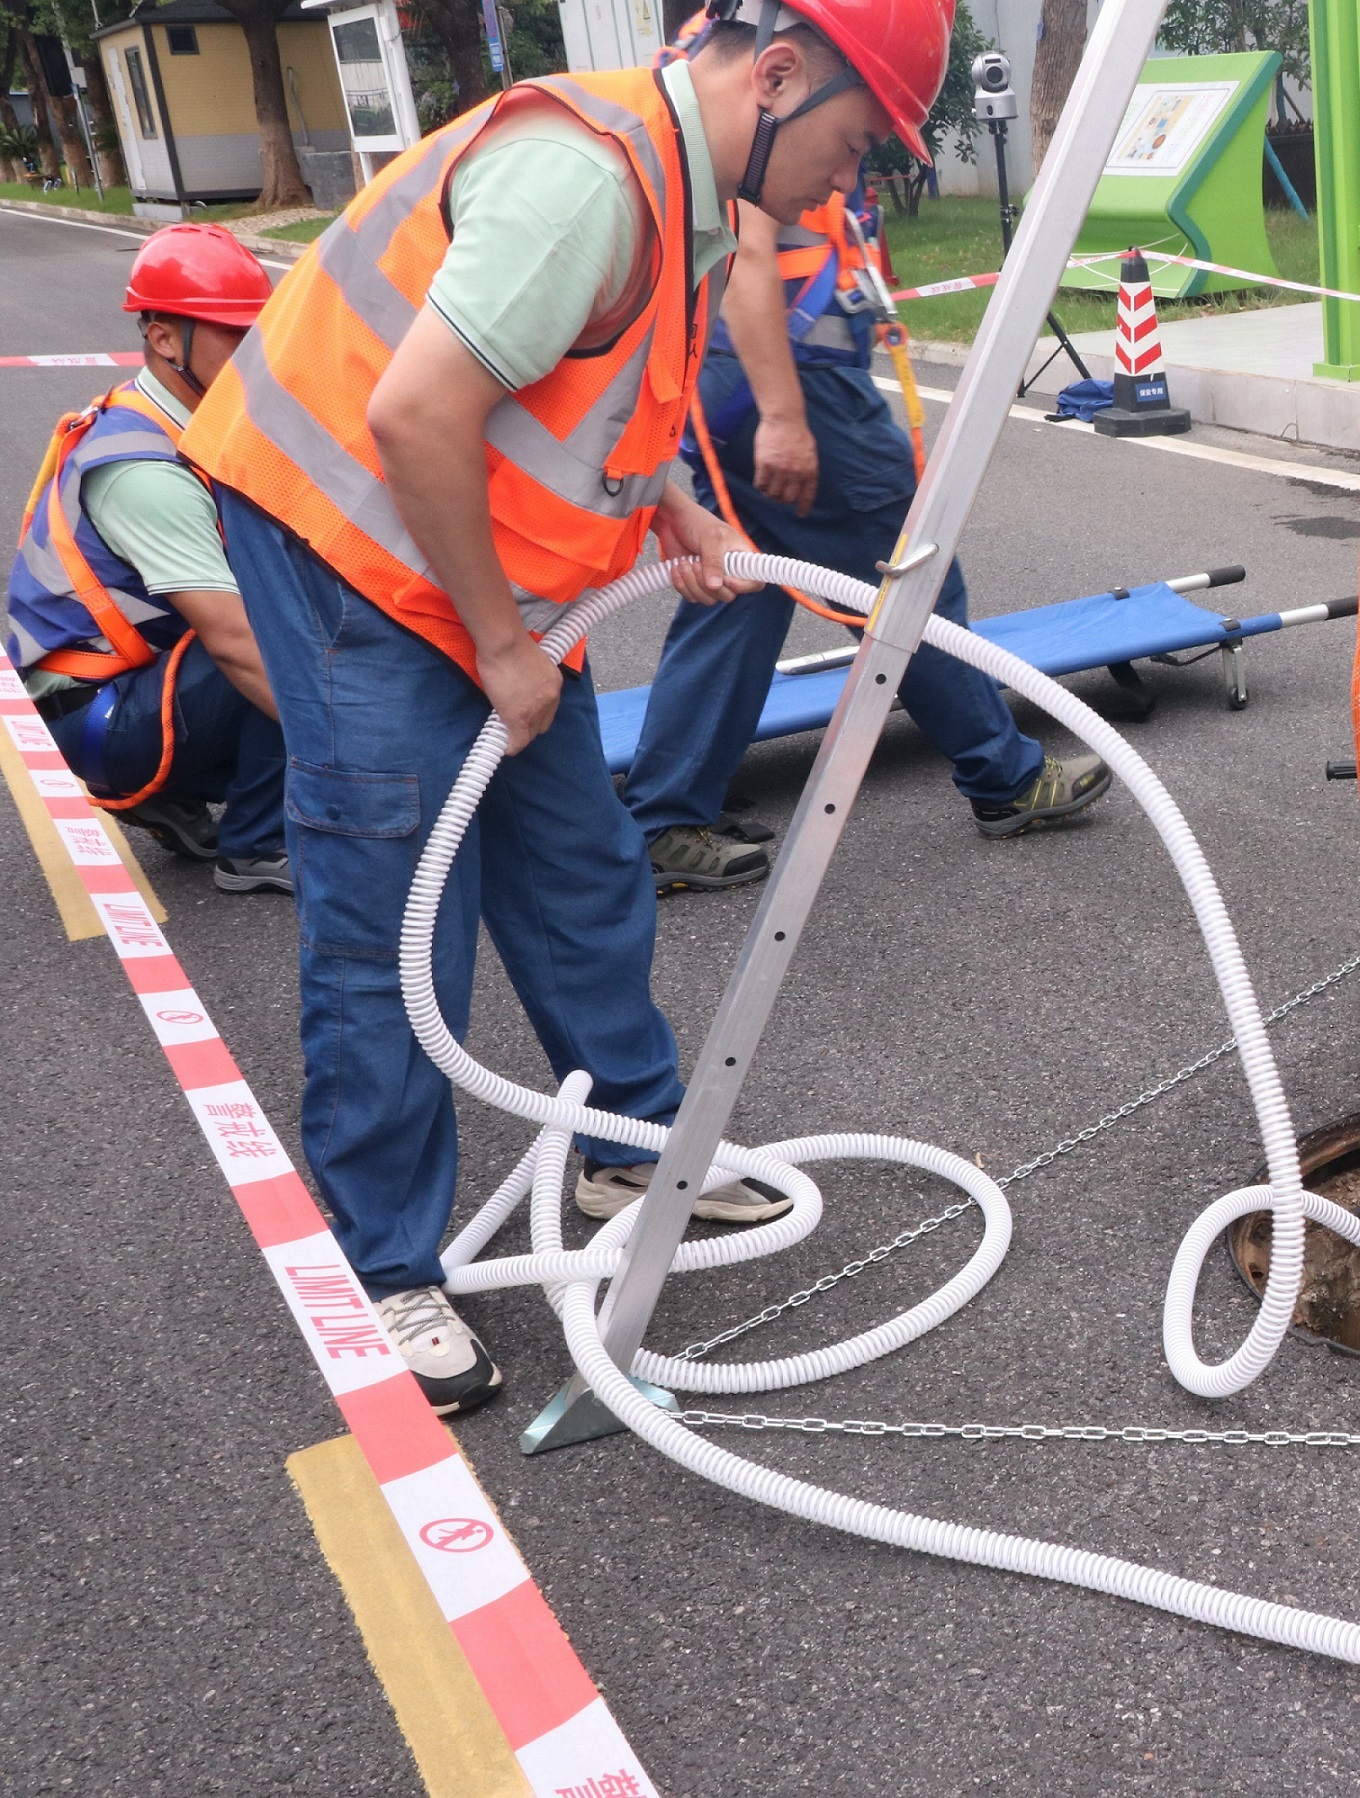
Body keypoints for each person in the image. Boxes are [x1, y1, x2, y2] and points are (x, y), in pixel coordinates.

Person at [182, 0, 951, 1414]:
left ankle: (624, 1144)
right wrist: (496, 640)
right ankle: (386, 1270)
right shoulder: (589, 176)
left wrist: (658, 495)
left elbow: (572, 381)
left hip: (479, 559)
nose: (852, 181)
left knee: (581, 864)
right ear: (776, 77)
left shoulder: (687, 188)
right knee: (398, 905)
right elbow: (416, 414)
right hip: (352, 542)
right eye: (855, 143)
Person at [618, 30, 1107, 891]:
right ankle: (1007, 778)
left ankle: (665, 812)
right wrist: (782, 416)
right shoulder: (769, 88)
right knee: (911, 575)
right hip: (792, 379)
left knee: (743, 591)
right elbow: (752, 257)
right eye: (852, 147)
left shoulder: (718, 61)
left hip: (750, 374)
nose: (849, 169)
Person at [6, 224, 290, 892]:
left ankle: (171, 786)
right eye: (234, 334)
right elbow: (236, 642)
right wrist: (359, 749)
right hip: (97, 717)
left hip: (116, 687)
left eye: (261, 331)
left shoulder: (180, 417)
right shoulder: (144, 470)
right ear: (163, 338)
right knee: (292, 636)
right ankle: (255, 844)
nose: (258, 353)